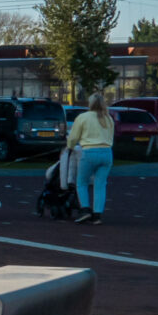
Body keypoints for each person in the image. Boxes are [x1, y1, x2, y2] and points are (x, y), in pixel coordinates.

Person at [64, 89, 118, 223]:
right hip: (107, 153)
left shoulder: (83, 117)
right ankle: (97, 214)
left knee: (82, 182)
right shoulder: (108, 118)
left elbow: (73, 137)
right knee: (100, 185)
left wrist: (69, 148)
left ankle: (85, 209)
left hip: (89, 152)